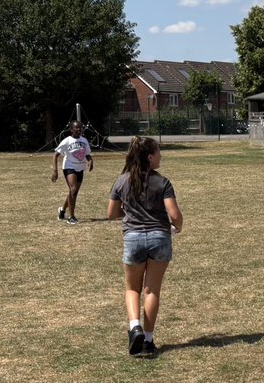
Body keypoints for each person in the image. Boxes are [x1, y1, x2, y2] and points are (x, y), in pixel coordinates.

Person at [107, 136, 183, 357]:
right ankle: (148, 340)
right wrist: (177, 226)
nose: (161, 155)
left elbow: (111, 213)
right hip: (160, 237)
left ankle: (135, 327)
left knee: (132, 288)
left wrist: (130, 213)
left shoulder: (122, 181)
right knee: (152, 290)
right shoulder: (162, 182)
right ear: (150, 157)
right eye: (158, 152)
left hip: (133, 238)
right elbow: (174, 215)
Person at [52, 120, 93, 224]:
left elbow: (87, 154)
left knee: (73, 192)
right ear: (71, 130)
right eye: (76, 128)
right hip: (69, 167)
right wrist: (55, 171)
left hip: (80, 167)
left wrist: (90, 161)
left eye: (80, 128)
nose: (79, 129)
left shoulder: (84, 140)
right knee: (73, 190)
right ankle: (72, 217)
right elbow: (55, 155)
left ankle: (62, 210)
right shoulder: (67, 141)